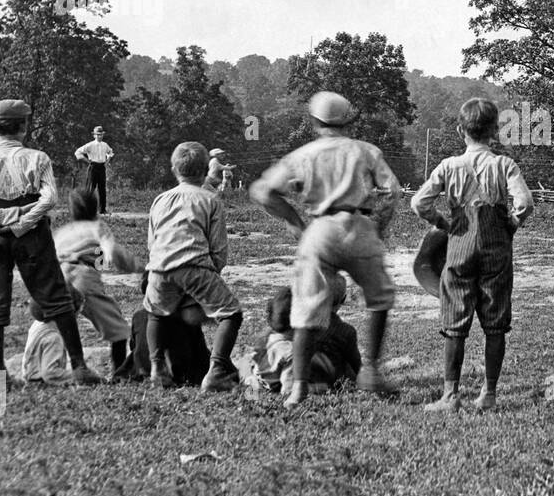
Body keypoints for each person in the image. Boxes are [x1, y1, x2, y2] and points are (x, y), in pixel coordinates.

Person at [250, 91, 402, 408]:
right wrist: (379, 228)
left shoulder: (304, 154)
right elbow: (392, 191)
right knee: (379, 298)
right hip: (360, 224)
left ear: (315, 121)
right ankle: (371, 371)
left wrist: (293, 220)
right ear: (349, 120)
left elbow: (263, 191)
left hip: (320, 228)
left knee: (305, 309)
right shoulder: (366, 151)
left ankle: (298, 388)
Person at [0, 99, 101, 385]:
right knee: (54, 293)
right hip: (33, 233)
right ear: (24, 127)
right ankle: (79, 366)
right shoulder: (38, 158)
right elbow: (49, 199)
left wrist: (4, 219)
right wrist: (23, 220)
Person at [411, 98, 534, 412]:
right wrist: (512, 224)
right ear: (495, 130)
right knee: (495, 321)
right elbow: (525, 203)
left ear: (459, 130)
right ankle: (489, 394)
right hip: (497, 247)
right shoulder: (505, 164)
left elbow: (419, 203)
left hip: (460, 242)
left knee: (455, 319)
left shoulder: (449, 166)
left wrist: (441, 222)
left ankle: (450, 396)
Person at [144, 141, 243, 393]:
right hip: (195, 266)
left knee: (156, 313)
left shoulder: (160, 200)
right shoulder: (210, 200)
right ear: (204, 171)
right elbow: (218, 249)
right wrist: (211, 275)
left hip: (159, 268)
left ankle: (157, 370)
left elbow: (151, 241)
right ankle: (217, 371)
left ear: (173, 170)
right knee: (230, 313)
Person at [28, 190, 138, 379]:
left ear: (71, 211)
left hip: (58, 275)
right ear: (95, 209)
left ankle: (37, 365)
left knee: (53, 321)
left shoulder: (64, 231)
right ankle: (119, 373)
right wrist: (135, 266)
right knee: (118, 328)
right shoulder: (97, 227)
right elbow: (112, 252)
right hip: (84, 277)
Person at [252, 282, 362, 396]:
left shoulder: (267, 337)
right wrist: (323, 388)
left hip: (257, 378)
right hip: (273, 385)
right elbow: (288, 390)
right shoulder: (292, 353)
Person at [112, 271, 210, 385]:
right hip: (177, 373)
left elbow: (135, 345)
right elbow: (200, 352)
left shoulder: (138, 316)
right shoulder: (184, 315)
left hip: (141, 370)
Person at [74, 126, 114, 214]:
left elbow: (110, 152)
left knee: (102, 189)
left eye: (101, 135)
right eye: (98, 135)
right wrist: (86, 161)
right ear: (94, 135)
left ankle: (102, 210)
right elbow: (77, 152)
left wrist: (107, 161)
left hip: (102, 167)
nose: (100, 136)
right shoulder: (90, 145)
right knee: (90, 189)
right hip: (93, 167)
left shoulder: (105, 145)